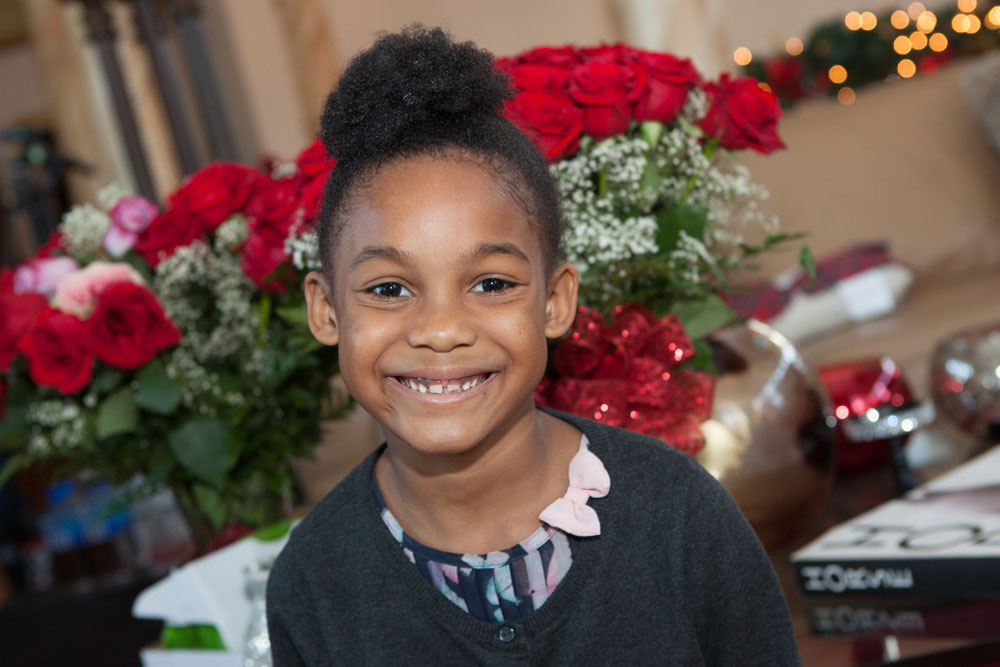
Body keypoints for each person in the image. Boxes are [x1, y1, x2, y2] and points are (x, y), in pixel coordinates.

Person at [266, 26, 800, 666]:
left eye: (490, 283)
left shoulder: (679, 514)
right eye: (388, 288)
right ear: (326, 310)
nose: (441, 330)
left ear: (555, 301)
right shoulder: (312, 582)